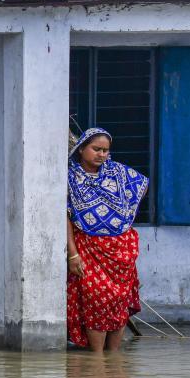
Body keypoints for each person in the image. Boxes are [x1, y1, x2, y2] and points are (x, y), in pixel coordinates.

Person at [66, 126, 148, 352]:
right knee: (96, 300)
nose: (101, 155)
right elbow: (66, 217)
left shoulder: (118, 173)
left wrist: (119, 215)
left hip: (121, 251)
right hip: (90, 249)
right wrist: (73, 254)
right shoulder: (70, 178)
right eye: (96, 149)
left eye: (105, 150)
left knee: (119, 302)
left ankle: (113, 361)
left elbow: (140, 187)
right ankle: (97, 360)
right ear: (82, 148)